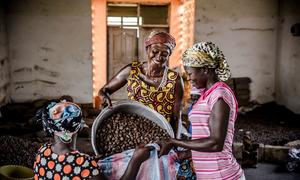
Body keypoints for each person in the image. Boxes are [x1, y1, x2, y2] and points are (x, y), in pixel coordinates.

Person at [98, 31, 195, 179]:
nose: (159, 57)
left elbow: (176, 116)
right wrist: (103, 97)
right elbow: (104, 91)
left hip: (162, 131)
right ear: (147, 50)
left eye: (165, 54)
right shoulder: (132, 71)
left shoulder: (174, 80)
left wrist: (172, 143)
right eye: (155, 51)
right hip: (130, 129)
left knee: (164, 165)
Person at [158, 42, 245, 179]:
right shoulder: (206, 94)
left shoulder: (220, 95)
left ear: (205, 69)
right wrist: (186, 153)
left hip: (222, 175)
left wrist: (173, 142)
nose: (189, 78)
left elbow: (216, 143)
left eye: (190, 73)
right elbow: (203, 136)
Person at [33, 101, 153, 180]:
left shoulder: (42, 151)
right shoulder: (83, 164)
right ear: (79, 127)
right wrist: (136, 159)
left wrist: (88, 159)